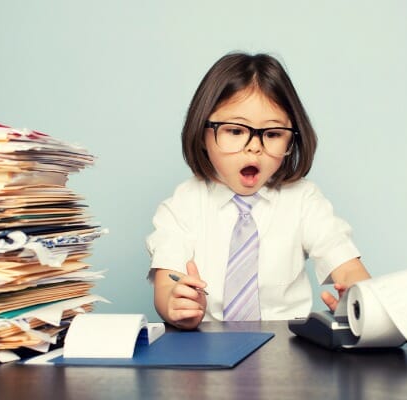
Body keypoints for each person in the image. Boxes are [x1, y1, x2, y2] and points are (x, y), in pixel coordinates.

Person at [146, 52, 371, 330]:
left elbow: (346, 265)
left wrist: (359, 298)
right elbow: (168, 282)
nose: (254, 146)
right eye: (235, 131)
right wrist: (178, 304)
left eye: (273, 134)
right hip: (208, 348)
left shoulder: (303, 200)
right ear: (202, 133)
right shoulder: (183, 205)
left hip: (285, 350)